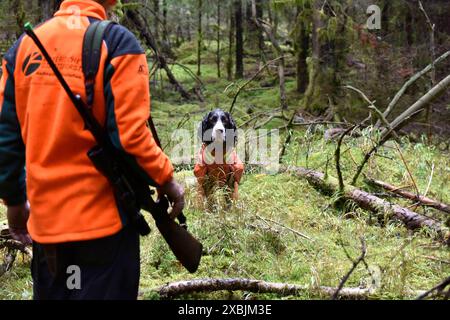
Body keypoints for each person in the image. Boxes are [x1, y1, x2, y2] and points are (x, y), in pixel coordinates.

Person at [0, 0, 185, 300]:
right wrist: (166, 179)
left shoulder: (22, 49)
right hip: (106, 232)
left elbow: (5, 140)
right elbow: (132, 137)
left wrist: (15, 201)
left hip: (48, 236)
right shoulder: (118, 43)